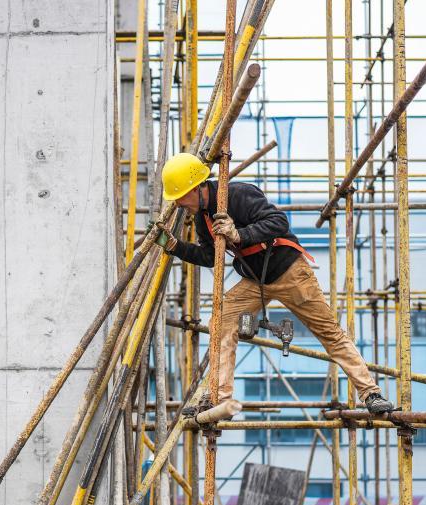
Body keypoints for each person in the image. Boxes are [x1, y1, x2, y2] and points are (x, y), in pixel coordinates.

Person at [156, 152, 395, 416]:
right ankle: (218, 398)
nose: (178, 203)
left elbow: (278, 222)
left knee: (329, 332)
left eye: (180, 196)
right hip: (254, 279)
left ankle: (370, 393)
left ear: (197, 187)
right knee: (221, 322)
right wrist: (175, 247)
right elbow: (209, 256)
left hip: (290, 272)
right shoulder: (204, 218)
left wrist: (239, 234)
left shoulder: (238, 194)